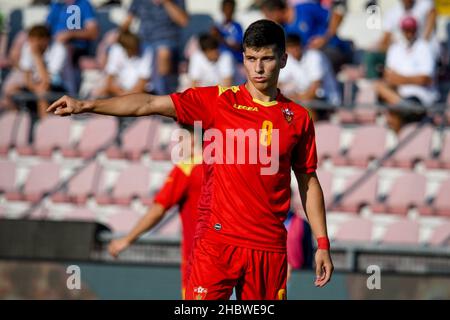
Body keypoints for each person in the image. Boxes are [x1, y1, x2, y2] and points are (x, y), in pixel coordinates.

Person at [47, 19, 333, 300]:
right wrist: (86, 104)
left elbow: (308, 181)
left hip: (268, 248)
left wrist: (322, 243)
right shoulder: (218, 101)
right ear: (243, 59)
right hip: (217, 243)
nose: (258, 68)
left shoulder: (297, 118)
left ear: (283, 60)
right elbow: (148, 103)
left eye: (267, 59)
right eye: (251, 58)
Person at [108, 126, 202, 299]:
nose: (179, 144)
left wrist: (127, 239)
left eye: (182, 138)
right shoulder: (227, 166)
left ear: (194, 140)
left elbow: (158, 210)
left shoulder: (187, 169)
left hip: (199, 261)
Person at [374, 16, 438, 133]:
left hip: (420, 98)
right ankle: (404, 106)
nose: (408, 32)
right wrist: (407, 79)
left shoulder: (424, 47)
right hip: (400, 95)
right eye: (406, 29)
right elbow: (389, 77)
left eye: (411, 29)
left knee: (394, 112)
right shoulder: (395, 49)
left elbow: (425, 79)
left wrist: (398, 78)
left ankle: (404, 108)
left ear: (416, 29)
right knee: (379, 86)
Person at [122, 0, 189, 95]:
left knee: (162, 52)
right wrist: (117, 36)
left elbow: (183, 21)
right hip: (143, 41)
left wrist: (166, 2)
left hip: (167, 40)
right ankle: (125, 92)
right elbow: (128, 20)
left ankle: (161, 94)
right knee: (117, 47)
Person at [4, 25, 66, 118]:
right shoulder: (28, 47)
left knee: (42, 92)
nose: (32, 44)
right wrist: (34, 88)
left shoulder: (59, 49)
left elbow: (47, 81)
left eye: (34, 41)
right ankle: (21, 123)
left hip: (59, 87)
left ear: (45, 40)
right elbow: (27, 77)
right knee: (11, 91)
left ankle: (45, 126)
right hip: (37, 86)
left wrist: (37, 56)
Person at [46, 0, 99, 95]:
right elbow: (46, 29)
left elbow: (93, 32)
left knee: (62, 49)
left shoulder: (83, 4)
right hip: (53, 47)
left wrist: (69, 34)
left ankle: (63, 88)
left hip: (76, 49)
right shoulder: (56, 5)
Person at [279, 34, 341, 107]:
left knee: (304, 109)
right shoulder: (289, 60)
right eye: (290, 47)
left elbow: (315, 89)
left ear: (301, 45)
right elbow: (279, 84)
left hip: (327, 100)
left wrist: (294, 98)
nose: (294, 49)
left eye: (295, 45)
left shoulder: (315, 56)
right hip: (305, 99)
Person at [91, 31, 153, 98]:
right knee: (98, 93)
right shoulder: (116, 49)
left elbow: (141, 84)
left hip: (138, 93)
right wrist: (122, 95)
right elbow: (109, 78)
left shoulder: (147, 50)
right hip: (121, 91)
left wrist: (124, 97)